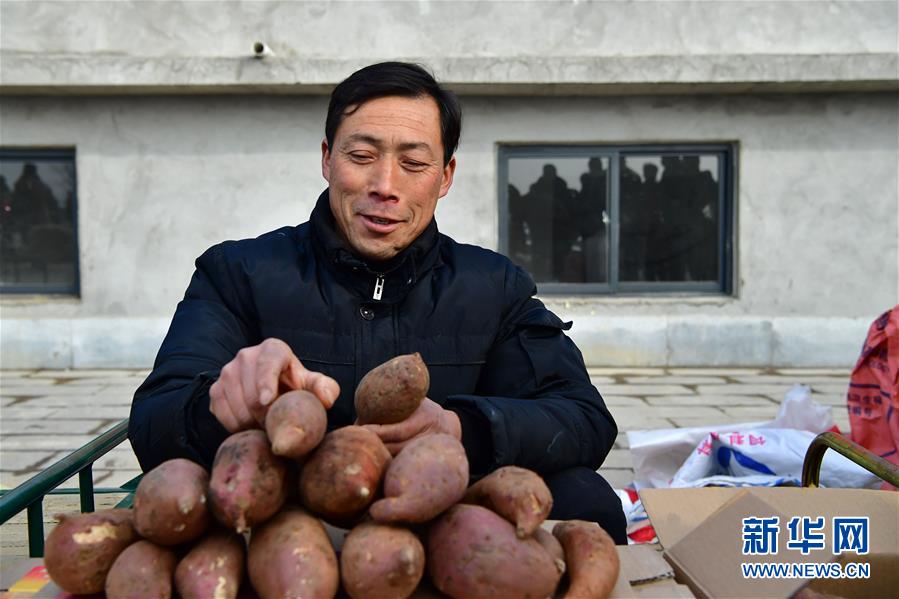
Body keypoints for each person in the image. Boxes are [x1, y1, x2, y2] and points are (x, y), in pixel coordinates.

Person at [129, 62, 626, 543]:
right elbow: (153, 422)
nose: (385, 186)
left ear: (445, 176)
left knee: (588, 501)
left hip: (445, 512)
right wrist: (223, 403)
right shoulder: (238, 273)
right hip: (284, 515)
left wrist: (458, 428)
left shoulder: (495, 287)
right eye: (362, 156)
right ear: (327, 159)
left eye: (414, 164)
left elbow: (582, 418)